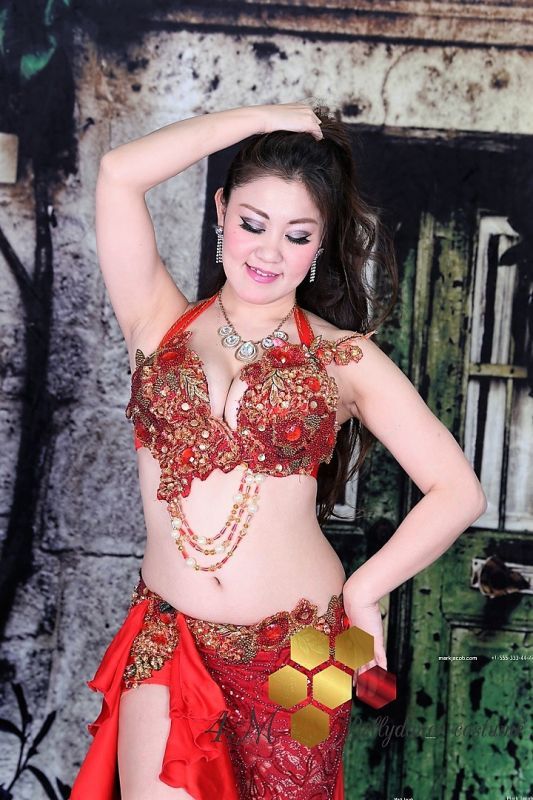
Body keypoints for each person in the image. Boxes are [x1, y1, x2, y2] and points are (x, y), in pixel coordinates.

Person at [70, 102, 487, 800]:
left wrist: (363, 590)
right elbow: (117, 173)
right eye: (252, 223)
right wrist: (265, 116)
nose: (267, 252)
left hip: (307, 649)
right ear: (221, 210)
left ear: (320, 242)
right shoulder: (155, 320)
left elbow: (458, 491)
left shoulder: (344, 358)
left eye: (296, 235)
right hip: (170, 637)